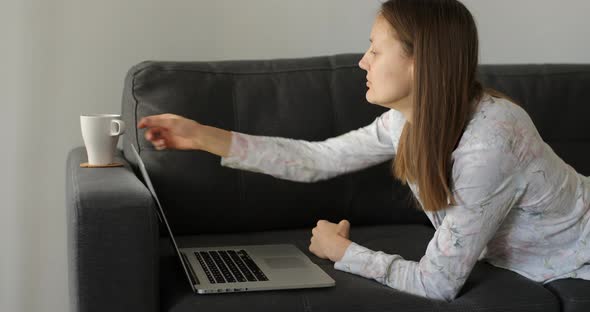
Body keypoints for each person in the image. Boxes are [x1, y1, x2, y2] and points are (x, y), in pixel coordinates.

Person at [137, 0, 590, 302]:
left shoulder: (490, 144)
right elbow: (317, 159)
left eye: (375, 49)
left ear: (420, 61)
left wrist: (343, 251)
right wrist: (200, 135)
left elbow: (437, 283)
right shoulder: (407, 121)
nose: (363, 61)